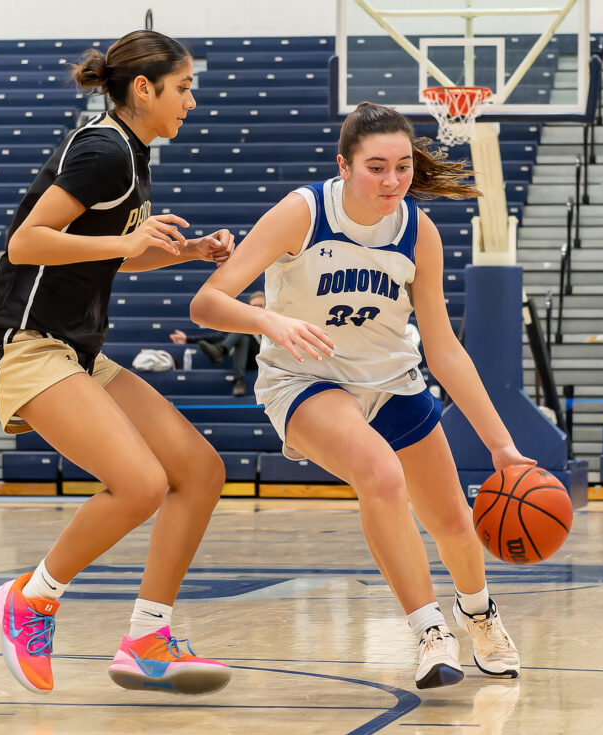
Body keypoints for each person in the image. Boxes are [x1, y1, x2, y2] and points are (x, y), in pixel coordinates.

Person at [189, 102, 534, 690]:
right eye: (376, 166)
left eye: (402, 166)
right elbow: (207, 303)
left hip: (392, 380)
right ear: (344, 166)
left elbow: (445, 349)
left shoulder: (418, 231)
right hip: (305, 379)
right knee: (379, 474)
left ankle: (479, 615)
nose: (393, 180)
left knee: (453, 524)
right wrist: (271, 322)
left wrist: (503, 449)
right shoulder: (303, 212)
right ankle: (430, 634)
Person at [0, 30, 235, 696]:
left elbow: (108, 250)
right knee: (142, 484)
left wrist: (185, 251)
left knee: (199, 472)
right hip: (30, 344)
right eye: (183, 87)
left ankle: (148, 638)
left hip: (77, 349)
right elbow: (27, 243)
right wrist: (128, 237)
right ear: (142, 89)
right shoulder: (103, 151)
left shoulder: (131, 152)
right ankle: (31, 599)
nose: (194, 102)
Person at [170, 290, 266, 395]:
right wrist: (187, 339)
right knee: (243, 336)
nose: (257, 309)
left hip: (263, 358)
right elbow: (218, 337)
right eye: (254, 306)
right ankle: (237, 378)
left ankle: (220, 351)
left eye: (261, 306)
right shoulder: (244, 323)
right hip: (247, 359)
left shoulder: (274, 323)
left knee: (241, 331)